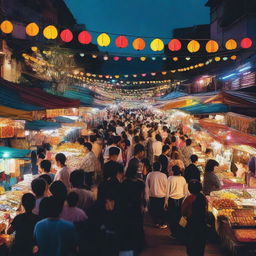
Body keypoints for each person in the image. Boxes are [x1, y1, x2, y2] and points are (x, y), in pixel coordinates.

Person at [119, 162, 146, 253]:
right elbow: (143, 197)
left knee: (129, 225)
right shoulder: (141, 183)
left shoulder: (124, 182)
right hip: (137, 207)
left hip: (127, 207)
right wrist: (143, 206)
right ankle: (138, 244)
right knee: (138, 226)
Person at [182, 180, 208, 256]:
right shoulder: (204, 198)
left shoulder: (189, 198)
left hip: (191, 224)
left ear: (189, 189)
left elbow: (183, 211)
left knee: (191, 245)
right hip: (202, 224)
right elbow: (206, 211)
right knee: (200, 245)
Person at [165, 165, 188, 238]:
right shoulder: (183, 179)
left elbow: (167, 191)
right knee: (180, 217)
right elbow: (185, 191)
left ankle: (174, 233)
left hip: (172, 200)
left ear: (173, 171)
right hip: (181, 199)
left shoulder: (170, 178)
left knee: (172, 217)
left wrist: (166, 201)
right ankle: (180, 233)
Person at [145, 162, 167, 228]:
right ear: (160, 168)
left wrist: (147, 196)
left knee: (154, 210)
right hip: (162, 196)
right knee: (161, 210)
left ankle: (156, 222)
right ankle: (162, 223)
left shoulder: (149, 174)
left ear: (153, 167)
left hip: (152, 195)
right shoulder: (163, 175)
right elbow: (166, 186)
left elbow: (147, 186)